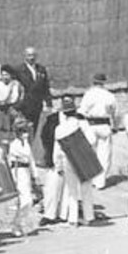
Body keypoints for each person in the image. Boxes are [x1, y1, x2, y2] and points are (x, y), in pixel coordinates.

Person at [47, 95, 96, 226]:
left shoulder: (60, 128)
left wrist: (58, 166)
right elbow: (92, 140)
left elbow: (57, 150)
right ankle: (89, 217)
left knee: (71, 190)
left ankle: (72, 219)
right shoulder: (83, 124)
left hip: (68, 159)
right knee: (86, 189)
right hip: (83, 157)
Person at [10, 47, 53, 164]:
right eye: (29, 55)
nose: (31, 57)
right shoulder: (19, 70)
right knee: (23, 130)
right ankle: (21, 156)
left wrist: (49, 103)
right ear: (25, 56)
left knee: (34, 132)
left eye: (33, 55)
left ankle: (31, 156)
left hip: (37, 106)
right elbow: (14, 88)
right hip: (23, 107)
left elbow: (45, 88)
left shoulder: (41, 70)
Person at [79, 72, 119, 188]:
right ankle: (100, 182)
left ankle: (89, 178)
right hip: (104, 125)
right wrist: (115, 126)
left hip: (90, 125)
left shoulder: (89, 94)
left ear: (93, 81)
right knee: (104, 154)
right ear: (104, 82)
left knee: (89, 153)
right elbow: (115, 113)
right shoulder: (109, 96)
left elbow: (82, 111)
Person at [6, 115, 37, 237]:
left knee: (28, 200)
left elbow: (31, 160)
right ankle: (16, 224)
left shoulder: (27, 144)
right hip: (18, 172)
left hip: (26, 173)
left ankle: (17, 223)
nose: (26, 134)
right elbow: (23, 155)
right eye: (23, 132)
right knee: (24, 200)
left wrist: (35, 175)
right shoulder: (14, 145)